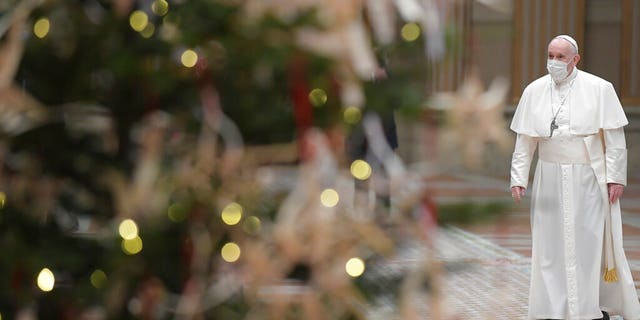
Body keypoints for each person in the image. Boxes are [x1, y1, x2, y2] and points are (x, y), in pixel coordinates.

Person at [509, 35, 640, 320]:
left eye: (560, 57)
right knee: (550, 246)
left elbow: (615, 139)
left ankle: (589, 307)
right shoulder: (534, 91)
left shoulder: (599, 88)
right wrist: (518, 178)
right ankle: (552, 309)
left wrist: (616, 178)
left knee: (588, 243)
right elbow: (525, 140)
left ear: (575, 59)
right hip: (549, 177)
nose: (554, 62)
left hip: (588, 177)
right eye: (551, 55)